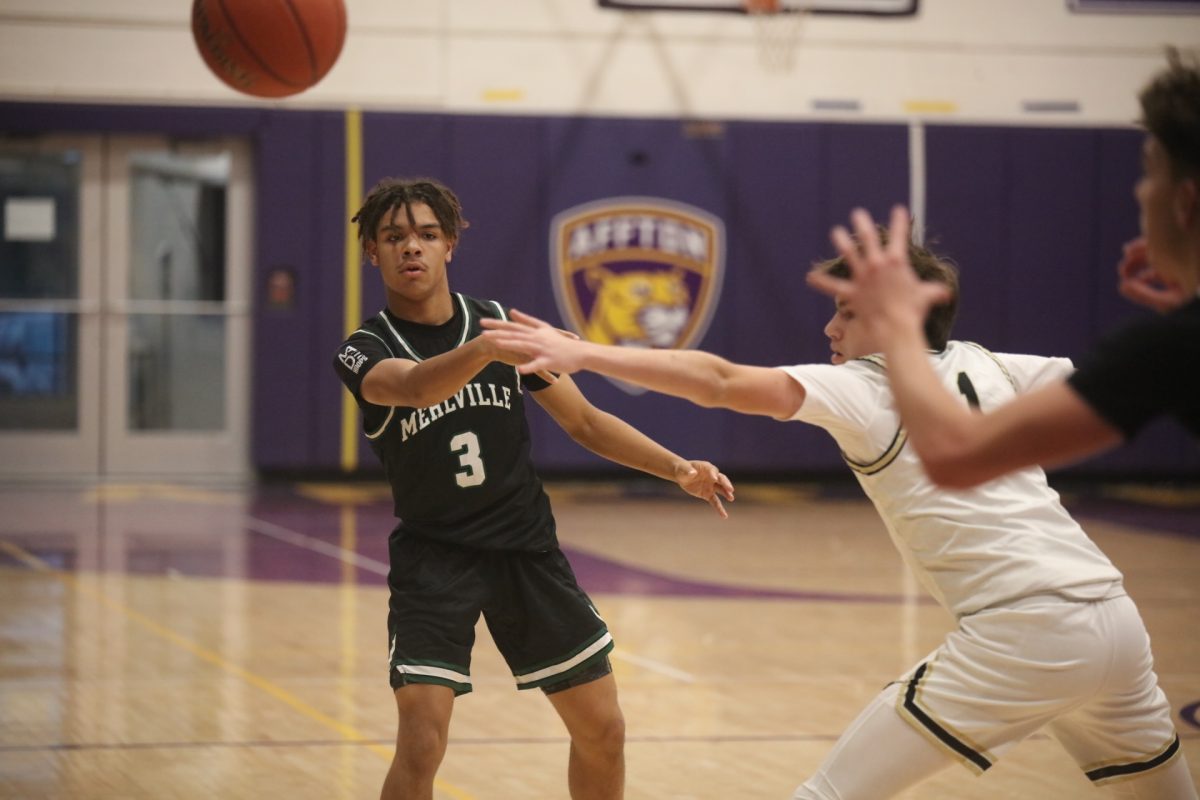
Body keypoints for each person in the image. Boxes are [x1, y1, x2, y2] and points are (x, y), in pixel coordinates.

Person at [480, 236, 1197, 798]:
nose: (829, 325)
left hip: (1025, 632)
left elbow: (721, 382)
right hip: (1116, 623)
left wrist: (582, 351)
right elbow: (1138, 370)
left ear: (896, 317)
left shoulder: (865, 388)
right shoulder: (994, 365)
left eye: (848, 311)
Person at [332, 176, 735, 800]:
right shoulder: (364, 348)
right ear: (372, 253)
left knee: (603, 728)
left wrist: (678, 468)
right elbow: (412, 388)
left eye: (427, 235)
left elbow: (586, 421)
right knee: (421, 739)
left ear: (449, 247)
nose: (411, 247)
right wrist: (490, 346)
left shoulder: (494, 328)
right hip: (435, 559)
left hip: (525, 550)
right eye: (393, 237)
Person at [806, 49, 1200, 489]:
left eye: (1149, 175)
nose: (1141, 193)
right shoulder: (1177, 340)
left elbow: (955, 458)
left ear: (1184, 203)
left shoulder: (1166, 347)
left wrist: (897, 323)